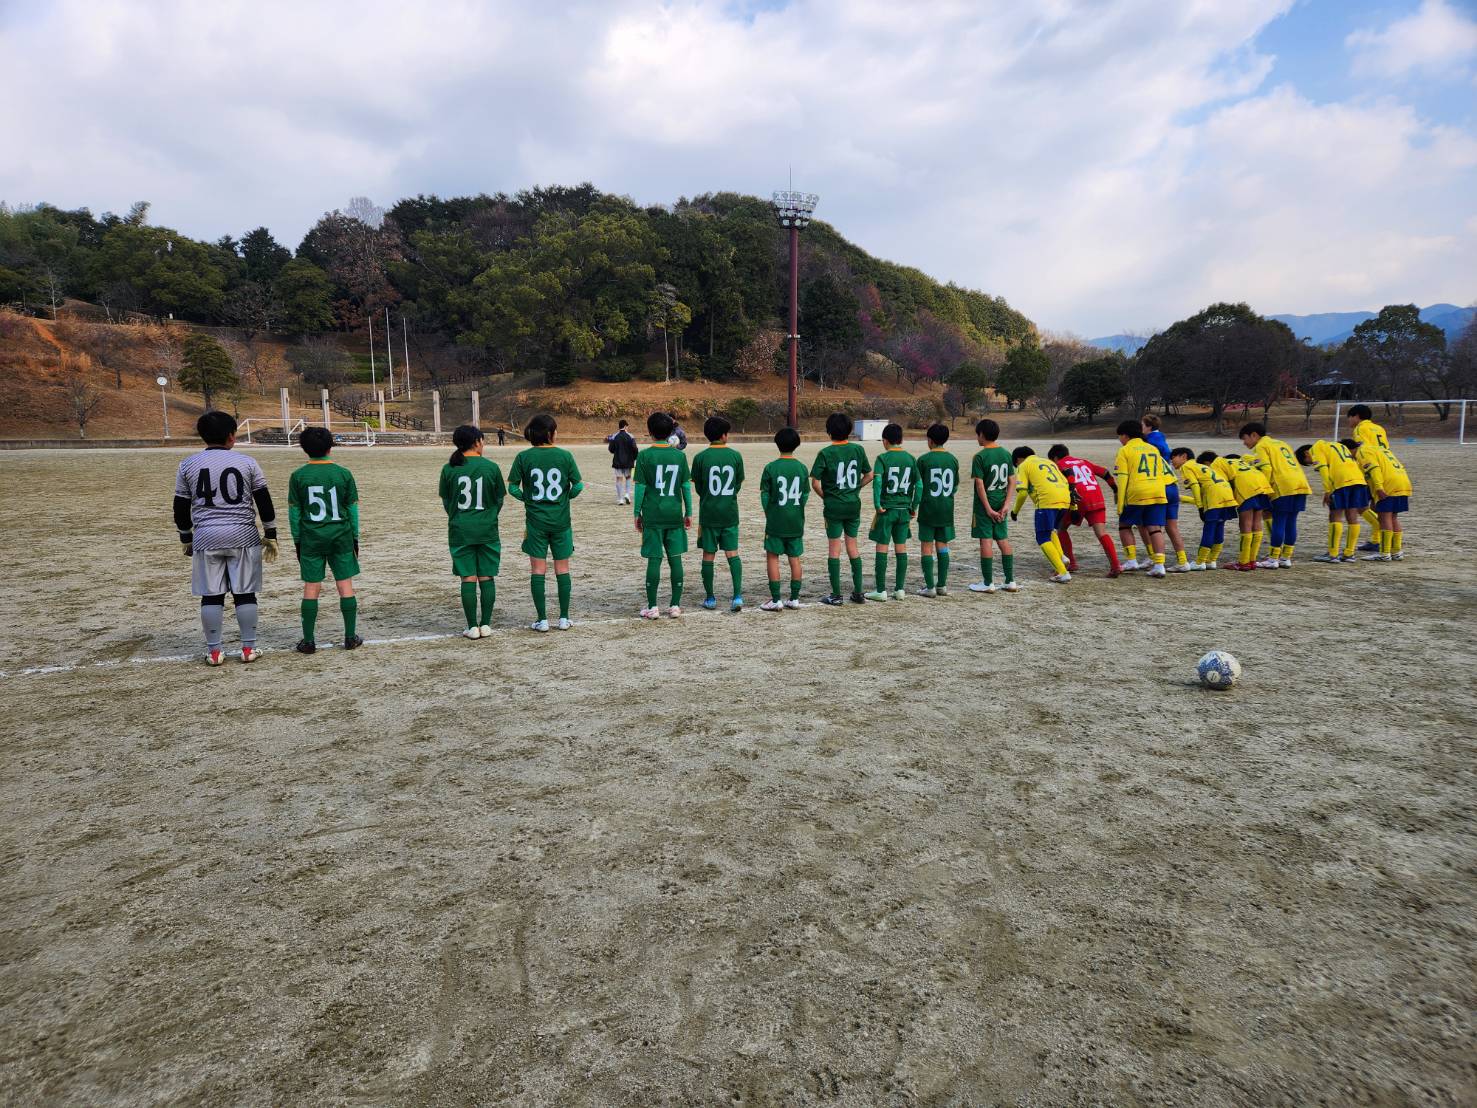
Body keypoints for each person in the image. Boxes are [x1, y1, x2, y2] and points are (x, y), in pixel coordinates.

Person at [172, 412, 278, 666]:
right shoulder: (247, 463)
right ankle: (248, 648)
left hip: (206, 537)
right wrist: (270, 533)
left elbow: (180, 505)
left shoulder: (187, 465)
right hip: (243, 535)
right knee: (245, 593)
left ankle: (214, 652)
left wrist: (186, 535)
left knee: (211, 596)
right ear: (231, 436)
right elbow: (263, 500)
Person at [288, 425, 362, 654]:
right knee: (345, 584)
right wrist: (355, 537)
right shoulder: (343, 474)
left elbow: (294, 512)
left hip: (311, 538)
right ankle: (350, 637)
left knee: (311, 586)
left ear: (304, 448)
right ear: (330, 447)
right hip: (341, 536)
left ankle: (309, 641)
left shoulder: (298, 476)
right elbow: (352, 509)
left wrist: (297, 540)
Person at [507, 414, 582, 631]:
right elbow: (578, 486)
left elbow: (512, 487)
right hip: (561, 522)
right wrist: (565, 498)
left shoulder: (523, 456)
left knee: (538, 569)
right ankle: (564, 618)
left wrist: (528, 499)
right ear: (550, 433)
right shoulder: (565, 456)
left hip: (535, 522)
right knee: (562, 568)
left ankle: (542, 620)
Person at [437, 425, 505, 640]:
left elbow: (447, 502)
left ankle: (472, 626)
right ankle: (486, 624)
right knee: (486, 576)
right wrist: (488, 516)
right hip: (487, 529)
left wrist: (458, 517)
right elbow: (499, 500)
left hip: (460, 530)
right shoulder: (491, 467)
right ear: (476, 442)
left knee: (468, 577)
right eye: (482, 440)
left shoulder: (449, 468)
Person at [633, 411, 692, 619]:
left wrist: (637, 513)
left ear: (650, 432)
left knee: (654, 560)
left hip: (653, 515)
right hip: (674, 513)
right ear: (671, 432)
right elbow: (685, 486)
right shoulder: (680, 456)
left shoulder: (644, 455)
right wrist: (689, 512)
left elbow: (640, 487)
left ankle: (653, 606)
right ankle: (675, 605)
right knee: (675, 559)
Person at [810, 412, 872, 606]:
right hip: (853, 504)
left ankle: (836, 595)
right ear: (850, 430)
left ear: (829, 432)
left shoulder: (825, 453)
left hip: (834, 506)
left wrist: (826, 497)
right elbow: (870, 475)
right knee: (853, 546)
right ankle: (859, 592)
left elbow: (815, 483)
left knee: (834, 549)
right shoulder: (858, 449)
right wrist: (855, 488)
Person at [690, 415, 745, 612]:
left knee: (708, 555)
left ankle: (710, 598)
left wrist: (708, 497)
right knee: (733, 553)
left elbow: (699, 487)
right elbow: (737, 484)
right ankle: (737, 596)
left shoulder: (700, 457)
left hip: (709, 514)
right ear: (724, 435)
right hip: (729, 513)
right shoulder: (735, 456)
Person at [1240, 421, 1311, 568]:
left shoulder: (1261, 446)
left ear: (1254, 435)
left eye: (1244, 438)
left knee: (1279, 520)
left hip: (1283, 485)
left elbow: (1266, 469)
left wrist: (1263, 490)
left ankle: (1273, 559)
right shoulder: (1281, 443)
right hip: (1300, 483)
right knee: (1291, 521)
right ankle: (1285, 558)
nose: (1244, 443)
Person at [1046, 444, 1121, 577]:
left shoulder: (1059, 465)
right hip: (1096, 497)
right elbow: (1105, 472)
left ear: (1055, 458)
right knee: (1101, 533)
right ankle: (1115, 566)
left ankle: (1071, 563)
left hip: (1077, 498)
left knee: (1061, 528)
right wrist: (1114, 488)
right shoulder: (1083, 462)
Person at [865, 423, 919, 601]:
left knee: (882, 546)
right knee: (901, 547)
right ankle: (900, 589)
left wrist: (877, 504)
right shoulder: (911, 459)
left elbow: (877, 482)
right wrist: (913, 506)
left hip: (887, 509)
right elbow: (919, 486)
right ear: (901, 440)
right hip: (904, 509)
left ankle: (881, 590)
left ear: (885, 441)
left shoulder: (882, 458)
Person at [759, 427, 809, 611]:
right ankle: (794, 598)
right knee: (794, 558)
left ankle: (775, 599)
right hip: (795, 521)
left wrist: (769, 512)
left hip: (776, 521)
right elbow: (805, 495)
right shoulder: (802, 468)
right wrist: (797, 509)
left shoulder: (771, 468)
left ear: (777, 443)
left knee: (773, 557)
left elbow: (765, 495)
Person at [1112, 419, 1169, 578]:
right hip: (1157, 491)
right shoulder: (1153, 448)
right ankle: (1159, 565)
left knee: (1124, 525)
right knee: (1155, 528)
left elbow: (1122, 478)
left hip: (1137, 492)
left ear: (1125, 435)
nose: (1119, 439)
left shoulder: (1125, 450)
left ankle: (1131, 560)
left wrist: (1120, 503)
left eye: (1119, 436)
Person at [1296, 440, 1368, 563]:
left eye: (1309, 462)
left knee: (1335, 515)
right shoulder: (1337, 445)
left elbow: (1324, 470)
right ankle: (1349, 553)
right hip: (1358, 479)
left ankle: (1332, 554)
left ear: (1307, 453)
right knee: (1352, 516)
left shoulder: (1316, 448)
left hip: (1341, 481)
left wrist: (1328, 490)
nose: (1312, 463)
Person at [968, 418, 1018, 593]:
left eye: (977, 435)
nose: (977, 438)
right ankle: (1010, 581)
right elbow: (1012, 480)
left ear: (982, 434)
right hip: (1001, 500)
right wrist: (1006, 504)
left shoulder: (980, 456)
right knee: (1003, 539)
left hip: (985, 504)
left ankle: (988, 583)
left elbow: (980, 484)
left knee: (986, 541)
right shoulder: (1006, 454)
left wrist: (988, 509)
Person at [1009, 446, 1073, 583]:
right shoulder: (1049, 462)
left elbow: (1022, 493)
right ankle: (1061, 557)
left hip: (1046, 501)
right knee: (1052, 530)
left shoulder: (1024, 465)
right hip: (1065, 500)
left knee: (1042, 537)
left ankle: (1063, 572)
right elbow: (1065, 481)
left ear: (1018, 459)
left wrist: (1015, 511)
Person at [1350, 431, 1413, 562]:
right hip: (1402, 481)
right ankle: (1396, 551)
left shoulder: (1362, 452)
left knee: (1384, 518)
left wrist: (1379, 487)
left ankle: (1384, 553)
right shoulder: (1379, 449)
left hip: (1387, 484)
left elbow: (1374, 469)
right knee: (1393, 517)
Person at [914, 423, 958, 597]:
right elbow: (954, 486)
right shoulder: (952, 459)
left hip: (928, 508)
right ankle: (942, 585)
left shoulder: (923, 460)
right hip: (946, 508)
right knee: (942, 545)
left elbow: (918, 486)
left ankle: (930, 587)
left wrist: (913, 506)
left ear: (930, 440)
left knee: (926, 547)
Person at [1208, 452, 1273, 571]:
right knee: (1256, 523)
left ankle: (1243, 562)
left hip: (1246, 486)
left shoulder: (1217, 462)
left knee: (1245, 524)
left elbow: (1222, 483)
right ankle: (1252, 561)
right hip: (1262, 484)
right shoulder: (1241, 461)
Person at [1141, 414, 1190, 571]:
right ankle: (1183, 561)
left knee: (1149, 525)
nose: (1141, 429)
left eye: (1142, 425)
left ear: (1149, 427)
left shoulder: (1148, 443)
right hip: (1172, 484)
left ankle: (1154, 558)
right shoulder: (1161, 439)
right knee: (1171, 527)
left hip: (1159, 486)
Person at [1175, 448, 1238, 569]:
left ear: (1183, 457)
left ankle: (1200, 562)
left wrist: (1200, 508)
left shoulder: (1186, 466)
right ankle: (1211, 560)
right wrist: (1183, 498)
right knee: (1219, 526)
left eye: (1173, 457)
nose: (1172, 461)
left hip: (1214, 496)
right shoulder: (1203, 467)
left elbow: (1195, 486)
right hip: (1226, 492)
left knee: (1209, 528)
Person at [1346, 405, 1389, 550]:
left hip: (1370, 469)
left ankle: (1379, 536)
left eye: (1350, 417)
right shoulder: (1379, 428)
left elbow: (1361, 450)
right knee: (1376, 506)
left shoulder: (1359, 429)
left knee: (1360, 505)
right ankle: (1376, 540)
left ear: (1356, 416)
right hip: (1385, 466)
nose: (1349, 421)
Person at [606, 419, 639, 504]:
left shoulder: (614, 436)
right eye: (627, 426)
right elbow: (635, 448)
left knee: (619, 479)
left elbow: (611, 449)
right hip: (628, 461)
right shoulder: (630, 436)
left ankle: (620, 499)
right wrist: (634, 458)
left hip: (617, 461)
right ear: (625, 426)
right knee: (628, 477)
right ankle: (627, 494)